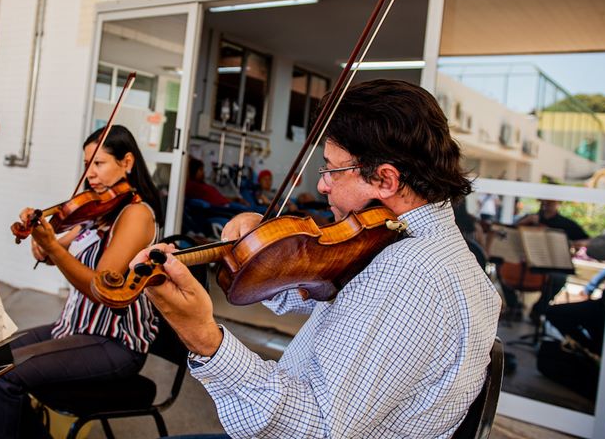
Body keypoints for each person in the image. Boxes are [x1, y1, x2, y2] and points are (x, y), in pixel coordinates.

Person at [130, 80, 501, 438]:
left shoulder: (411, 272)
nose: (322, 184)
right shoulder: (412, 242)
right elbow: (329, 295)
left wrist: (204, 337)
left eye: (331, 169)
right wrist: (268, 252)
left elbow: (317, 426)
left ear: (386, 180)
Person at [0, 125, 164, 439]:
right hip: (75, 327)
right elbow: (55, 253)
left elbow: (101, 288)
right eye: (87, 164)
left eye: (99, 163)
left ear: (126, 162)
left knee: (0, 378)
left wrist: (50, 247)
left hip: (114, 341)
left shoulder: (136, 215)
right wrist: (41, 240)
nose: (90, 173)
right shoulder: (98, 212)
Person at [515, 199, 591, 322]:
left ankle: (537, 310)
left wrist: (571, 243)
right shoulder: (531, 218)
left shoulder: (566, 223)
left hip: (552, 264)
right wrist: (525, 222)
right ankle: (514, 306)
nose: (546, 204)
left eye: (550, 202)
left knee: (559, 279)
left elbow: (587, 240)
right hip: (528, 262)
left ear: (557, 204)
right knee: (503, 269)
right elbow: (510, 231)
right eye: (544, 202)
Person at [546, 264, 605, 356]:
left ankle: (597, 352)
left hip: (603, 310)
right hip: (601, 305)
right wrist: (588, 289)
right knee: (555, 312)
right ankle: (592, 349)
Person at [185, 157, 250, 209]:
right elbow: (213, 201)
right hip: (221, 209)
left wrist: (236, 199)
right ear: (193, 170)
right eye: (201, 170)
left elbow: (219, 198)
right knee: (248, 211)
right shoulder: (192, 186)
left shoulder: (201, 185)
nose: (203, 172)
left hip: (226, 205)